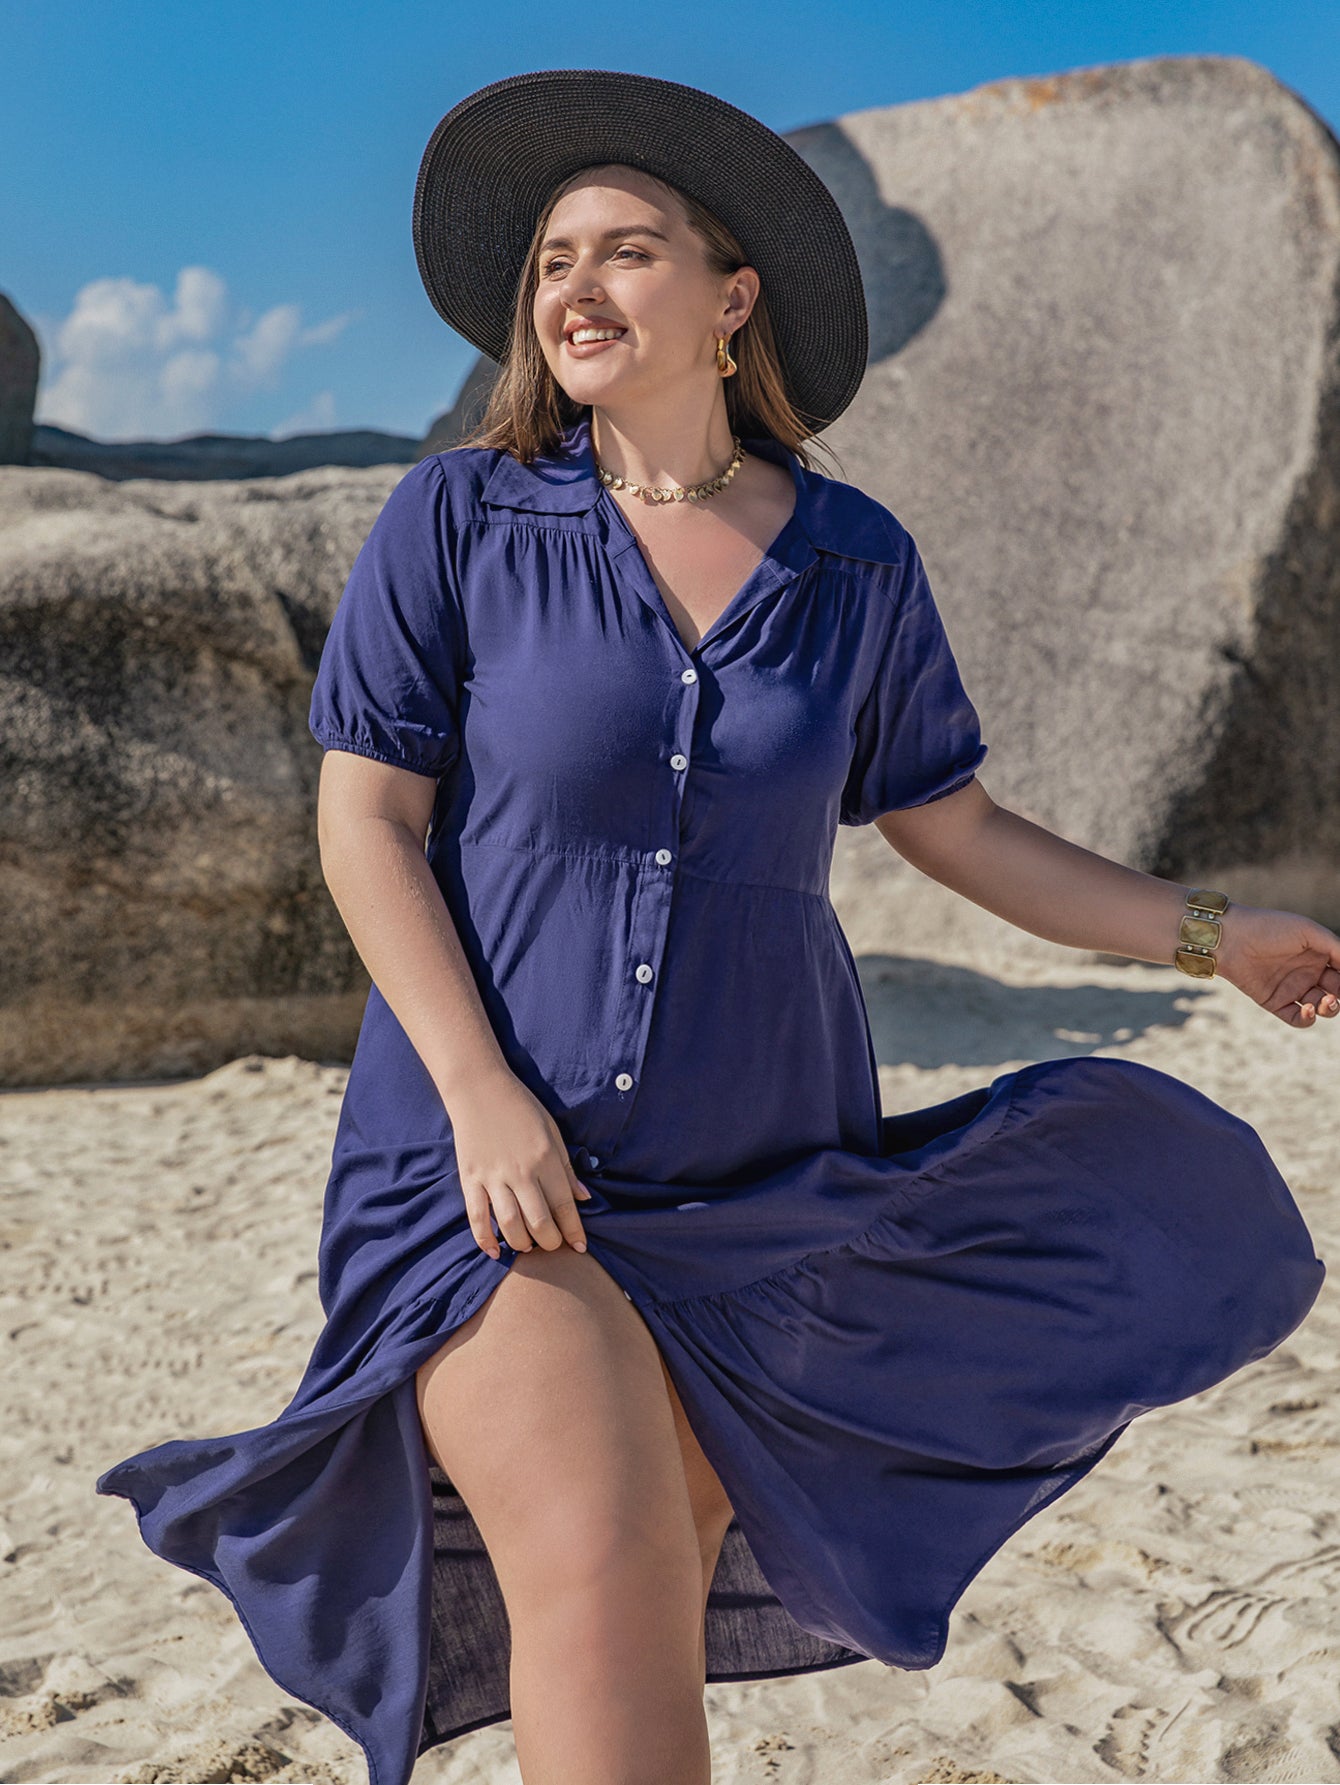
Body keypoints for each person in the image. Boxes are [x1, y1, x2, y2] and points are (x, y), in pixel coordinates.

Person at [96, 69, 1329, 1785]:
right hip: (488, 1180)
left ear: (732, 297)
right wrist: (478, 1092)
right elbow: (365, 823)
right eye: (551, 261)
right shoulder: (459, 521)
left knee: (628, 1622)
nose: (577, 288)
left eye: (629, 250)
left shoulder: (855, 565)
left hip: (765, 1194)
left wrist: (1217, 934)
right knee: (603, 1562)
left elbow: (955, 826)